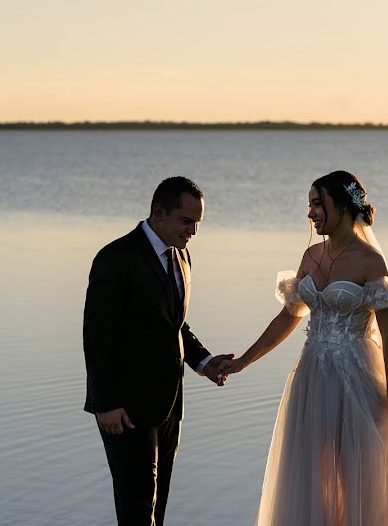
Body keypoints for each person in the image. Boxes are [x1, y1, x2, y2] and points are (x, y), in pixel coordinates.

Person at [220, 170, 388, 525]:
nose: (311, 213)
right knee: (310, 472)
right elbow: (288, 318)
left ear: (342, 205)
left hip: (359, 378)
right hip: (312, 377)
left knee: (359, 475)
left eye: (318, 204)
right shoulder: (310, 256)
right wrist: (244, 361)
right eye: (309, 205)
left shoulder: (370, 261)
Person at [83, 176, 233, 526]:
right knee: (136, 508)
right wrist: (105, 403)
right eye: (186, 222)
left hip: (169, 405)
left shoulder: (182, 256)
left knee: (156, 505)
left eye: (198, 223)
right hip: (125, 409)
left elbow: (174, 325)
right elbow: (96, 336)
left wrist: (205, 362)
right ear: (159, 212)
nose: (193, 231)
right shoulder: (116, 258)